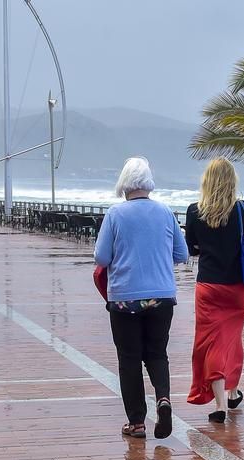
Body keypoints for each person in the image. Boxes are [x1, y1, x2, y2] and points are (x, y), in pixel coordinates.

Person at [93, 157, 188, 439]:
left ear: (124, 185)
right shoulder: (166, 212)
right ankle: (163, 399)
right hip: (162, 297)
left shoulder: (115, 214)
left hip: (125, 299)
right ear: (148, 184)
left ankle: (136, 423)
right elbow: (182, 254)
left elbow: (101, 256)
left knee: (130, 359)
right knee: (157, 354)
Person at [184, 157, 244, 424]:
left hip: (209, 287)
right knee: (232, 339)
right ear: (232, 181)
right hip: (238, 288)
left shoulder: (194, 212)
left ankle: (221, 405)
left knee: (212, 342)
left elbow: (191, 248)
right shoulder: (242, 209)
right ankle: (232, 392)